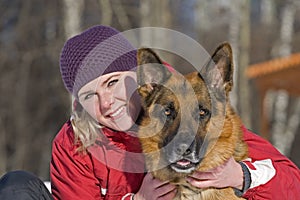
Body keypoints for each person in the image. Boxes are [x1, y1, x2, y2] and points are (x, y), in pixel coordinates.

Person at [50, 25, 300, 200]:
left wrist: (241, 175)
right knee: (18, 187)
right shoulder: (73, 146)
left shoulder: (197, 105)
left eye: (113, 82)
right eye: (89, 95)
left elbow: (293, 186)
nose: (106, 103)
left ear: (139, 77)